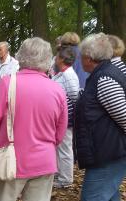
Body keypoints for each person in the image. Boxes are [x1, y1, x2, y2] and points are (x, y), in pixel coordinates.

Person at [0, 37, 68, 201]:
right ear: (47, 59)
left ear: (21, 56)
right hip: (45, 161)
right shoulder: (57, 90)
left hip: (11, 160)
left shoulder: (6, 84)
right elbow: (60, 133)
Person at [74, 34, 126, 201]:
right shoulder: (101, 74)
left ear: (89, 58)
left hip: (109, 154)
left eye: (81, 56)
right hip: (107, 152)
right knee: (110, 196)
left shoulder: (104, 79)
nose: (80, 61)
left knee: (92, 197)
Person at [51, 46, 79, 188]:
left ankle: (66, 179)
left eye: (57, 56)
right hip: (60, 117)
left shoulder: (68, 74)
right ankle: (59, 173)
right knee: (59, 147)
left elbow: (75, 96)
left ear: (62, 59)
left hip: (66, 117)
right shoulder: (60, 74)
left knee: (65, 147)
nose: (55, 58)